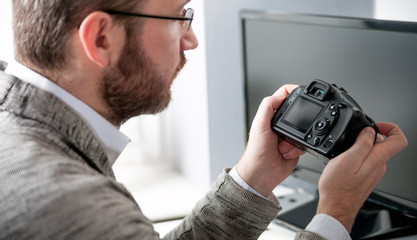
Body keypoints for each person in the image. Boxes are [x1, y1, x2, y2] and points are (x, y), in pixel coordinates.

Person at [0, 0, 407, 239]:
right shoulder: (68, 207)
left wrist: (254, 178)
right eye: (179, 16)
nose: (191, 38)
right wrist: (336, 212)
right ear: (102, 39)